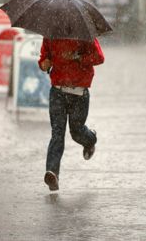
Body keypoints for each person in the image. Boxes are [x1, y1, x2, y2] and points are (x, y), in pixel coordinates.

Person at [38, 37, 105, 191]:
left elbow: (99, 58)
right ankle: (52, 174)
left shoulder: (84, 34)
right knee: (57, 133)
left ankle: (90, 140)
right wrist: (44, 64)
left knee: (76, 132)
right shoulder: (50, 35)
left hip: (79, 93)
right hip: (57, 92)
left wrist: (77, 57)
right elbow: (43, 60)